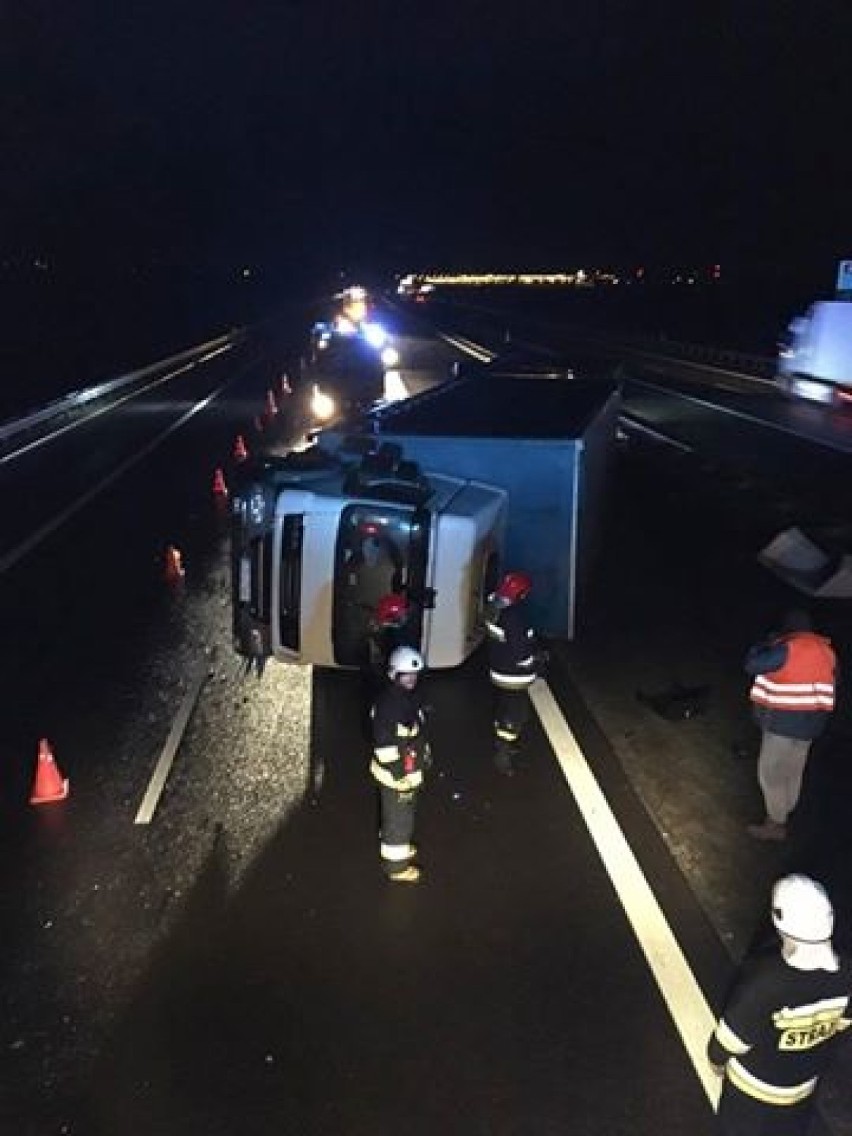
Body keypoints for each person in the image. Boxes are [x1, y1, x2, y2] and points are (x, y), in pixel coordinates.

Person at [708, 874, 852, 1136]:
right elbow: (841, 1026)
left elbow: (731, 1039)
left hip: (750, 1093)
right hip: (801, 1092)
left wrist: (716, 1060)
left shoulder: (767, 982)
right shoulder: (846, 974)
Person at [744, 609, 836, 841]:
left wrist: (763, 645)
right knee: (793, 770)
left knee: (770, 773)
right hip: (810, 726)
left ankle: (775, 823)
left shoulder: (787, 648)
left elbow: (752, 665)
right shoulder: (827, 652)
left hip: (783, 724)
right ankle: (785, 809)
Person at [370, 646, 430, 883]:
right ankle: (397, 867)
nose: (411, 680)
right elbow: (385, 746)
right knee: (400, 821)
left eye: (414, 675)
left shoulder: (400, 699)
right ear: (395, 675)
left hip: (406, 771)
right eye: (406, 676)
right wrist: (399, 775)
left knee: (399, 816)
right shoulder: (390, 706)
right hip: (397, 775)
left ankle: (397, 844)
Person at [484, 570, 541, 775]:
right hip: (513, 675)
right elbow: (520, 651)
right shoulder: (514, 616)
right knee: (515, 715)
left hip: (499, 669)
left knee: (505, 707)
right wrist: (534, 660)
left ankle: (506, 743)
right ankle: (503, 753)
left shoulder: (493, 608)